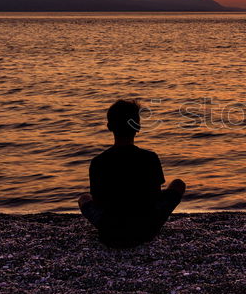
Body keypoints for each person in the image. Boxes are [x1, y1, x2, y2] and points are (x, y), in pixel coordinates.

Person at [78, 99, 186, 248]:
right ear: (137, 127)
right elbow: (154, 197)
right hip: (146, 229)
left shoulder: (98, 162)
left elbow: (98, 201)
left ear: (109, 127)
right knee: (178, 185)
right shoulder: (150, 158)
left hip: (110, 231)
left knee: (84, 199)